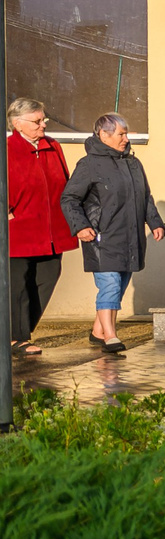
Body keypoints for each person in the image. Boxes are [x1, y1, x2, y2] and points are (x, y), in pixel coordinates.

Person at [60, 113, 164, 353]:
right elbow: (70, 198)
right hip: (100, 236)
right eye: (121, 134)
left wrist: (155, 222)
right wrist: (80, 226)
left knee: (119, 285)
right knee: (109, 285)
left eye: (127, 133)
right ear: (103, 135)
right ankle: (110, 337)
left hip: (129, 235)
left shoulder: (133, 163)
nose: (126, 139)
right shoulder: (89, 164)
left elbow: (145, 196)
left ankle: (98, 330)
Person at [7, 99, 77, 356]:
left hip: (52, 232)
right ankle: (17, 338)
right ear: (18, 124)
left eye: (43, 119)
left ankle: (19, 330)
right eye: (37, 121)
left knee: (48, 278)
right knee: (19, 285)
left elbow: (65, 183)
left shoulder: (53, 147)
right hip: (20, 231)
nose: (43, 124)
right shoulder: (7, 149)